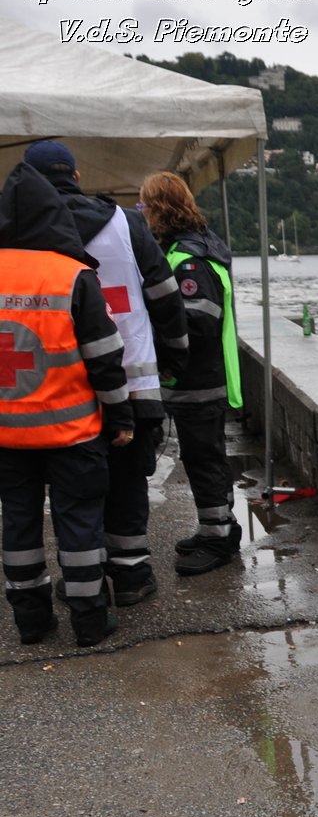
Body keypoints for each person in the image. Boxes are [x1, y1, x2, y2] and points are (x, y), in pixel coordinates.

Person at [25, 142, 188, 605]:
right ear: (76, 177)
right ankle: (132, 574)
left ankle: (84, 575)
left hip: (58, 390)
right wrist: (173, 360)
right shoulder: (128, 224)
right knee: (129, 479)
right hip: (134, 384)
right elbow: (165, 297)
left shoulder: (22, 232)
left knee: (72, 488)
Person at [0, 162, 134, 647]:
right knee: (79, 525)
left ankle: (32, 624)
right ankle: (90, 623)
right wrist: (121, 417)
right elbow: (105, 359)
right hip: (72, 432)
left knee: (18, 526)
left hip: (7, 436)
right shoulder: (72, 276)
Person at [137, 171, 242, 576]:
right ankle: (217, 527)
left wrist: (163, 354)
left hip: (197, 379)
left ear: (159, 207)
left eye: (145, 206)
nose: (142, 213)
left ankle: (217, 539)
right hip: (200, 377)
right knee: (203, 456)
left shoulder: (190, 259)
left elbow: (197, 323)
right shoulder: (193, 246)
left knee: (204, 458)